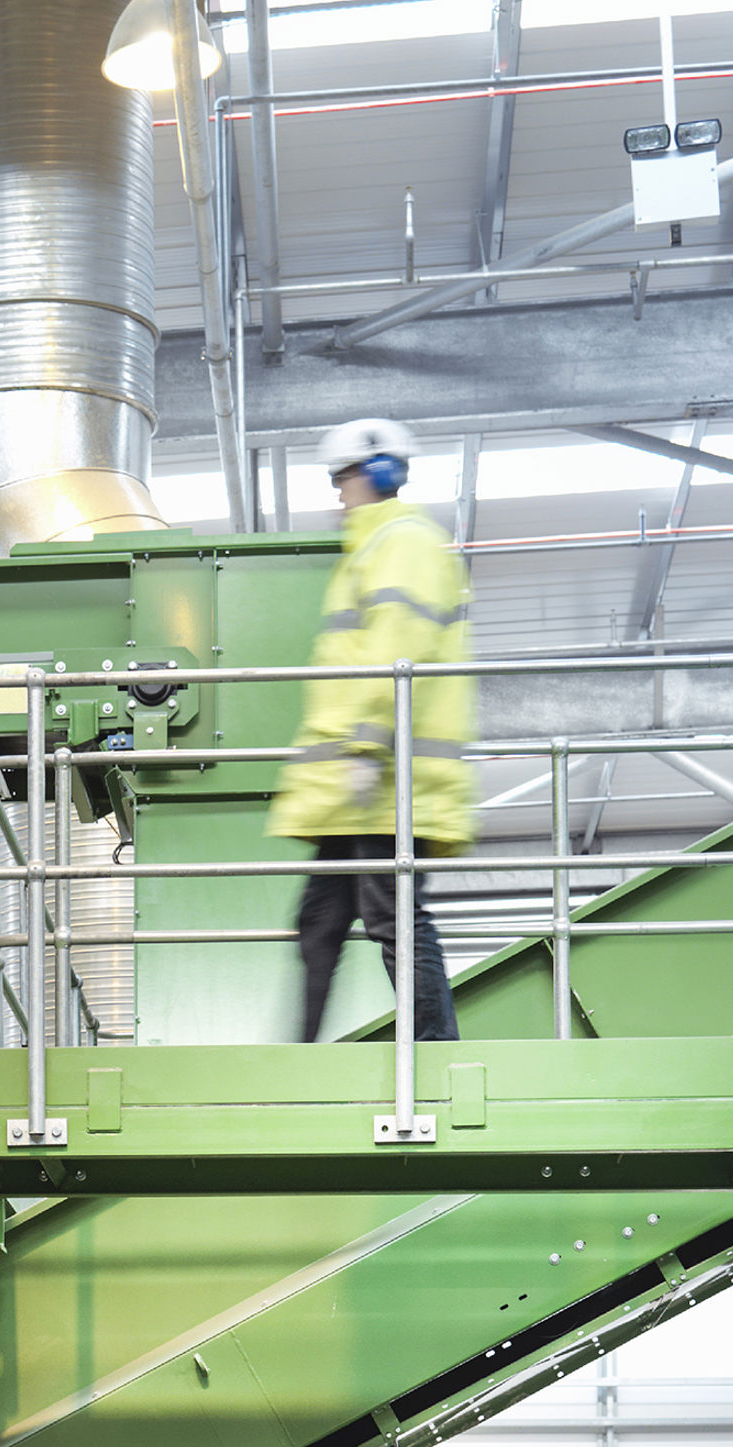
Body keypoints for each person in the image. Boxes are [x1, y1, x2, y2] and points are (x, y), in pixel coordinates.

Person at [269, 416, 476, 1043]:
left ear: (378, 473)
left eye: (345, 478)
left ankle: (436, 1056)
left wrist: (365, 744)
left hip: (383, 778)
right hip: (358, 786)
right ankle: (298, 1062)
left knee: (393, 919)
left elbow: (397, 648)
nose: (339, 493)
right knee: (319, 923)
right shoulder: (376, 546)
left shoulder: (404, 542)